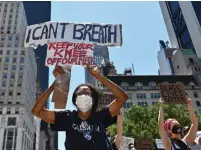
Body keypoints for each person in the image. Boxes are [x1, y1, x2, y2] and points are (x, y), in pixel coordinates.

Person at [31, 65, 128, 150]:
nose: (83, 95)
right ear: (75, 99)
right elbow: (37, 111)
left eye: (87, 92)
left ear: (93, 99)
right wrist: (55, 83)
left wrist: (98, 76)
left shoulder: (101, 116)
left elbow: (122, 97)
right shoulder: (67, 117)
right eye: (80, 93)